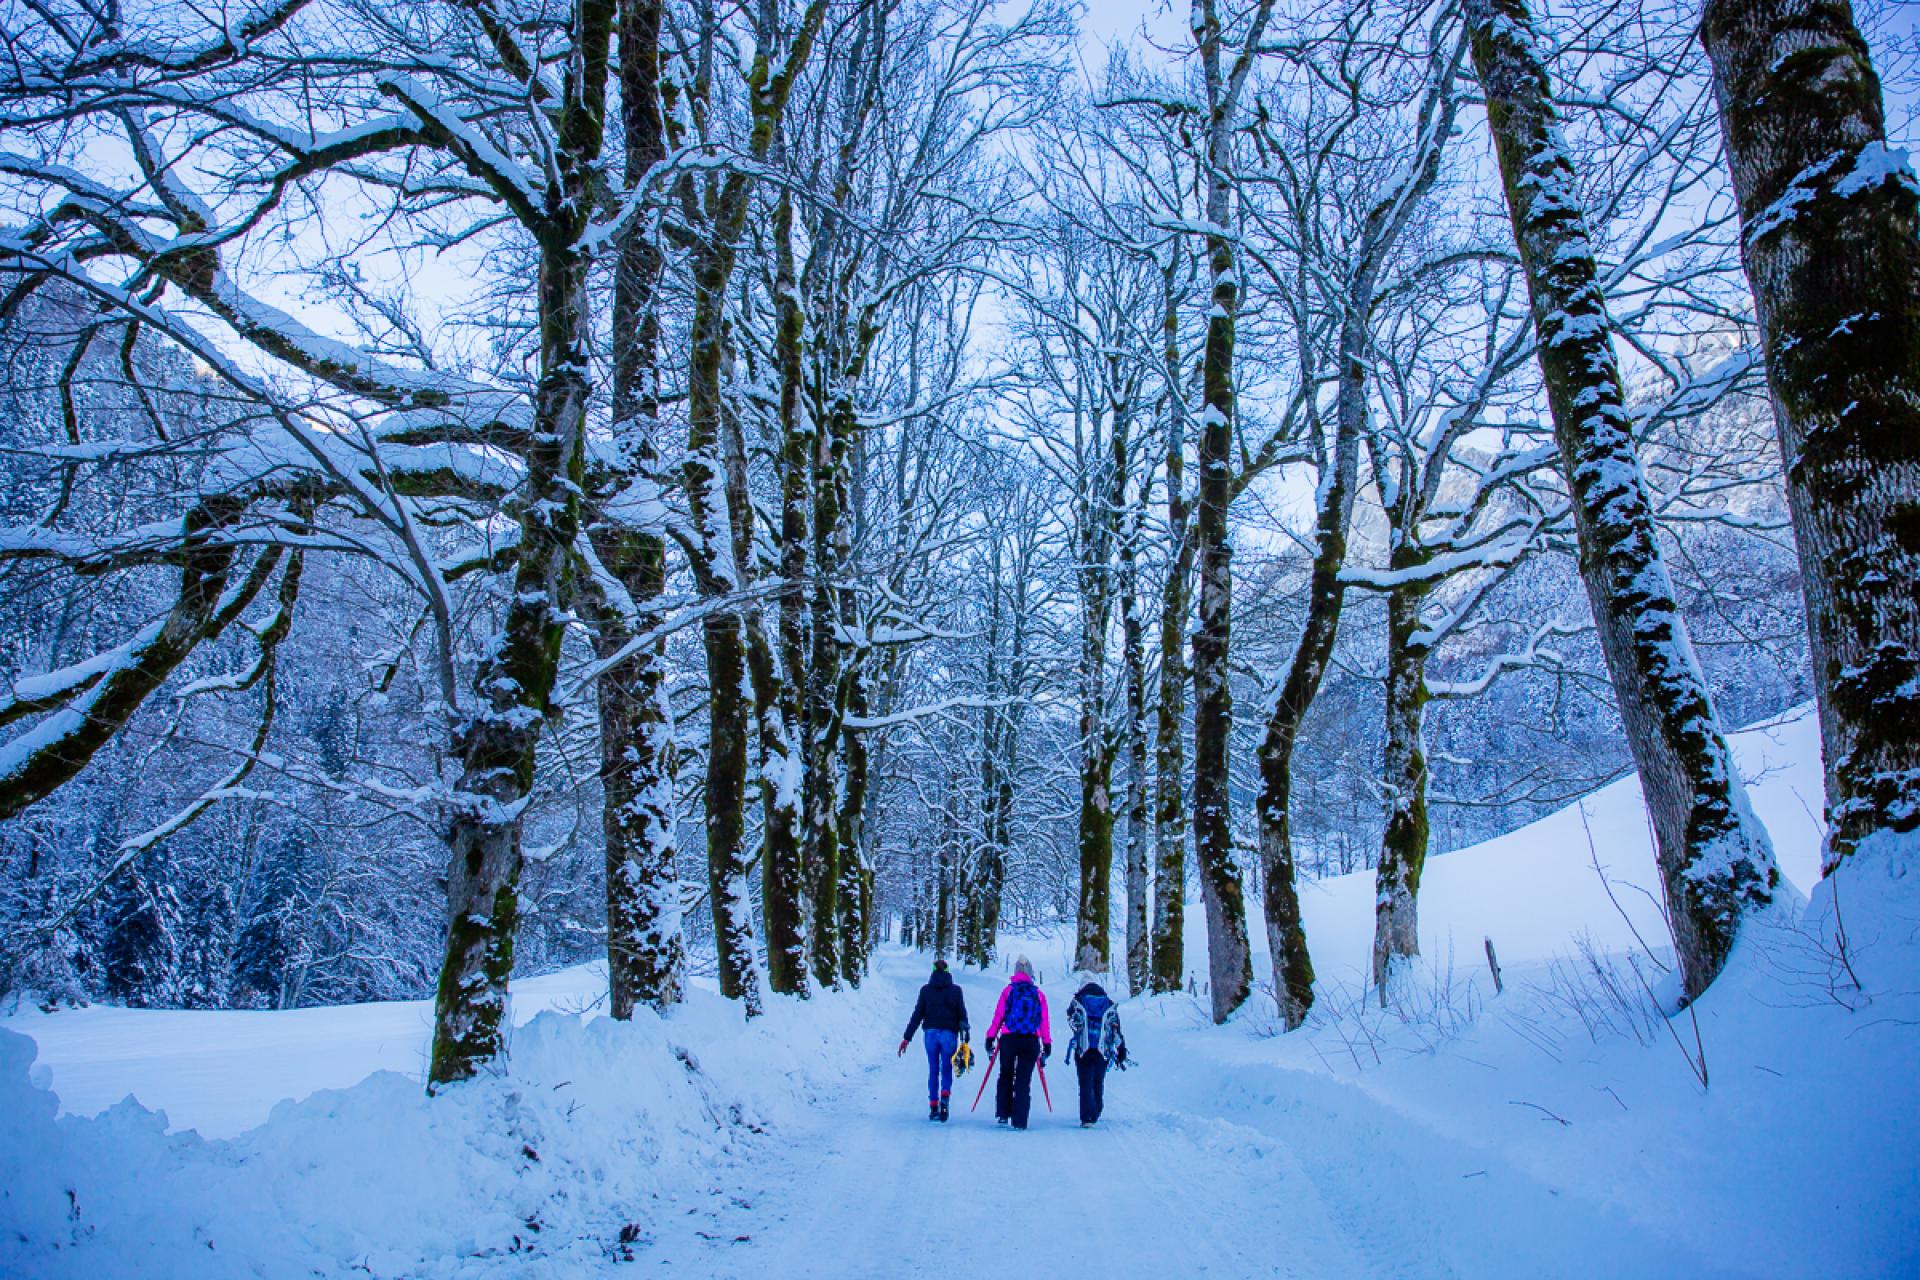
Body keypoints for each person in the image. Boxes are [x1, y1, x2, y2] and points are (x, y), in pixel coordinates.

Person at [983, 955, 1051, 1130]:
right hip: (1031, 1040)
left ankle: (1003, 1114)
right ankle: (1020, 1120)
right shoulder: (1038, 994)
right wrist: (1047, 1043)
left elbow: (998, 1017)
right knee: (1023, 1079)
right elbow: (1044, 1021)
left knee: (1005, 1074)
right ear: (1031, 972)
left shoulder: (1008, 991)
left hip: (1009, 1039)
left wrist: (991, 1036)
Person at [899, 959, 969, 1121]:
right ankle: (945, 1095)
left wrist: (906, 1038)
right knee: (946, 1067)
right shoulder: (956, 991)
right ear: (948, 972)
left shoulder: (925, 991)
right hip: (949, 1035)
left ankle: (933, 1105)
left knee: (933, 1069)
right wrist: (965, 1032)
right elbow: (962, 1014)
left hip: (930, 1034)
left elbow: (917, 1015)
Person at [1065, 979, 1127, 1128]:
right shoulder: (1108, 1003)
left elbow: (1070, 1017)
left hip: (1083, 1048)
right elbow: (1115, 1029)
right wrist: (1121, 1049)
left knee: (1085, 1081)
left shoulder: (1078, 1001)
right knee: (1098, 1080)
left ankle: (1087, 1117)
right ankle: (1097, 1109)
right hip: (1102, 1049)